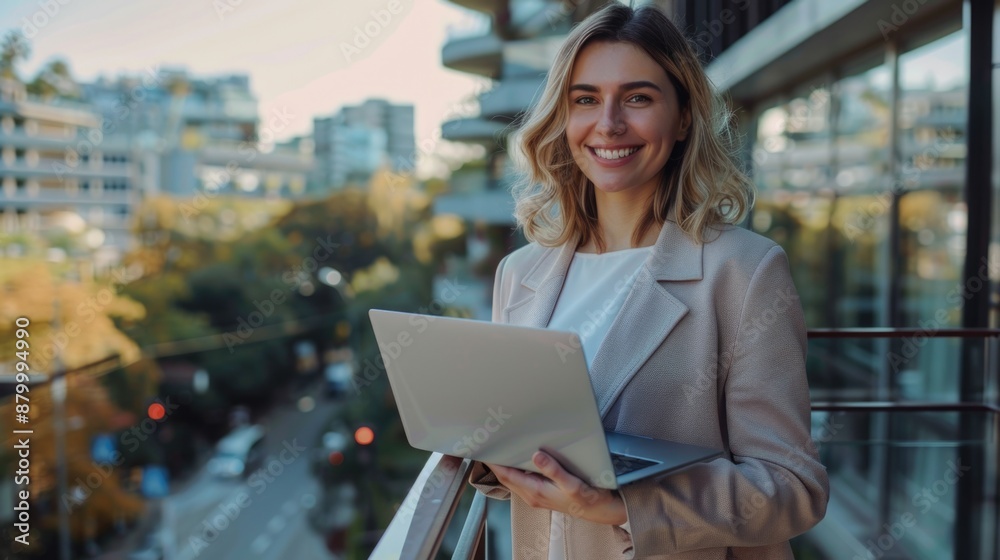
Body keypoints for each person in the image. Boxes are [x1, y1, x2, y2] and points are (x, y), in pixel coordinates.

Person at [467, 3, 830, 559]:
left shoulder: (743, 270)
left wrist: (624, 506)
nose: (608, 124)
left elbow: (792, 490)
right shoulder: (520, 274)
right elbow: (523, 448)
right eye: (585, 99)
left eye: (638, 98)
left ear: (683, 116)